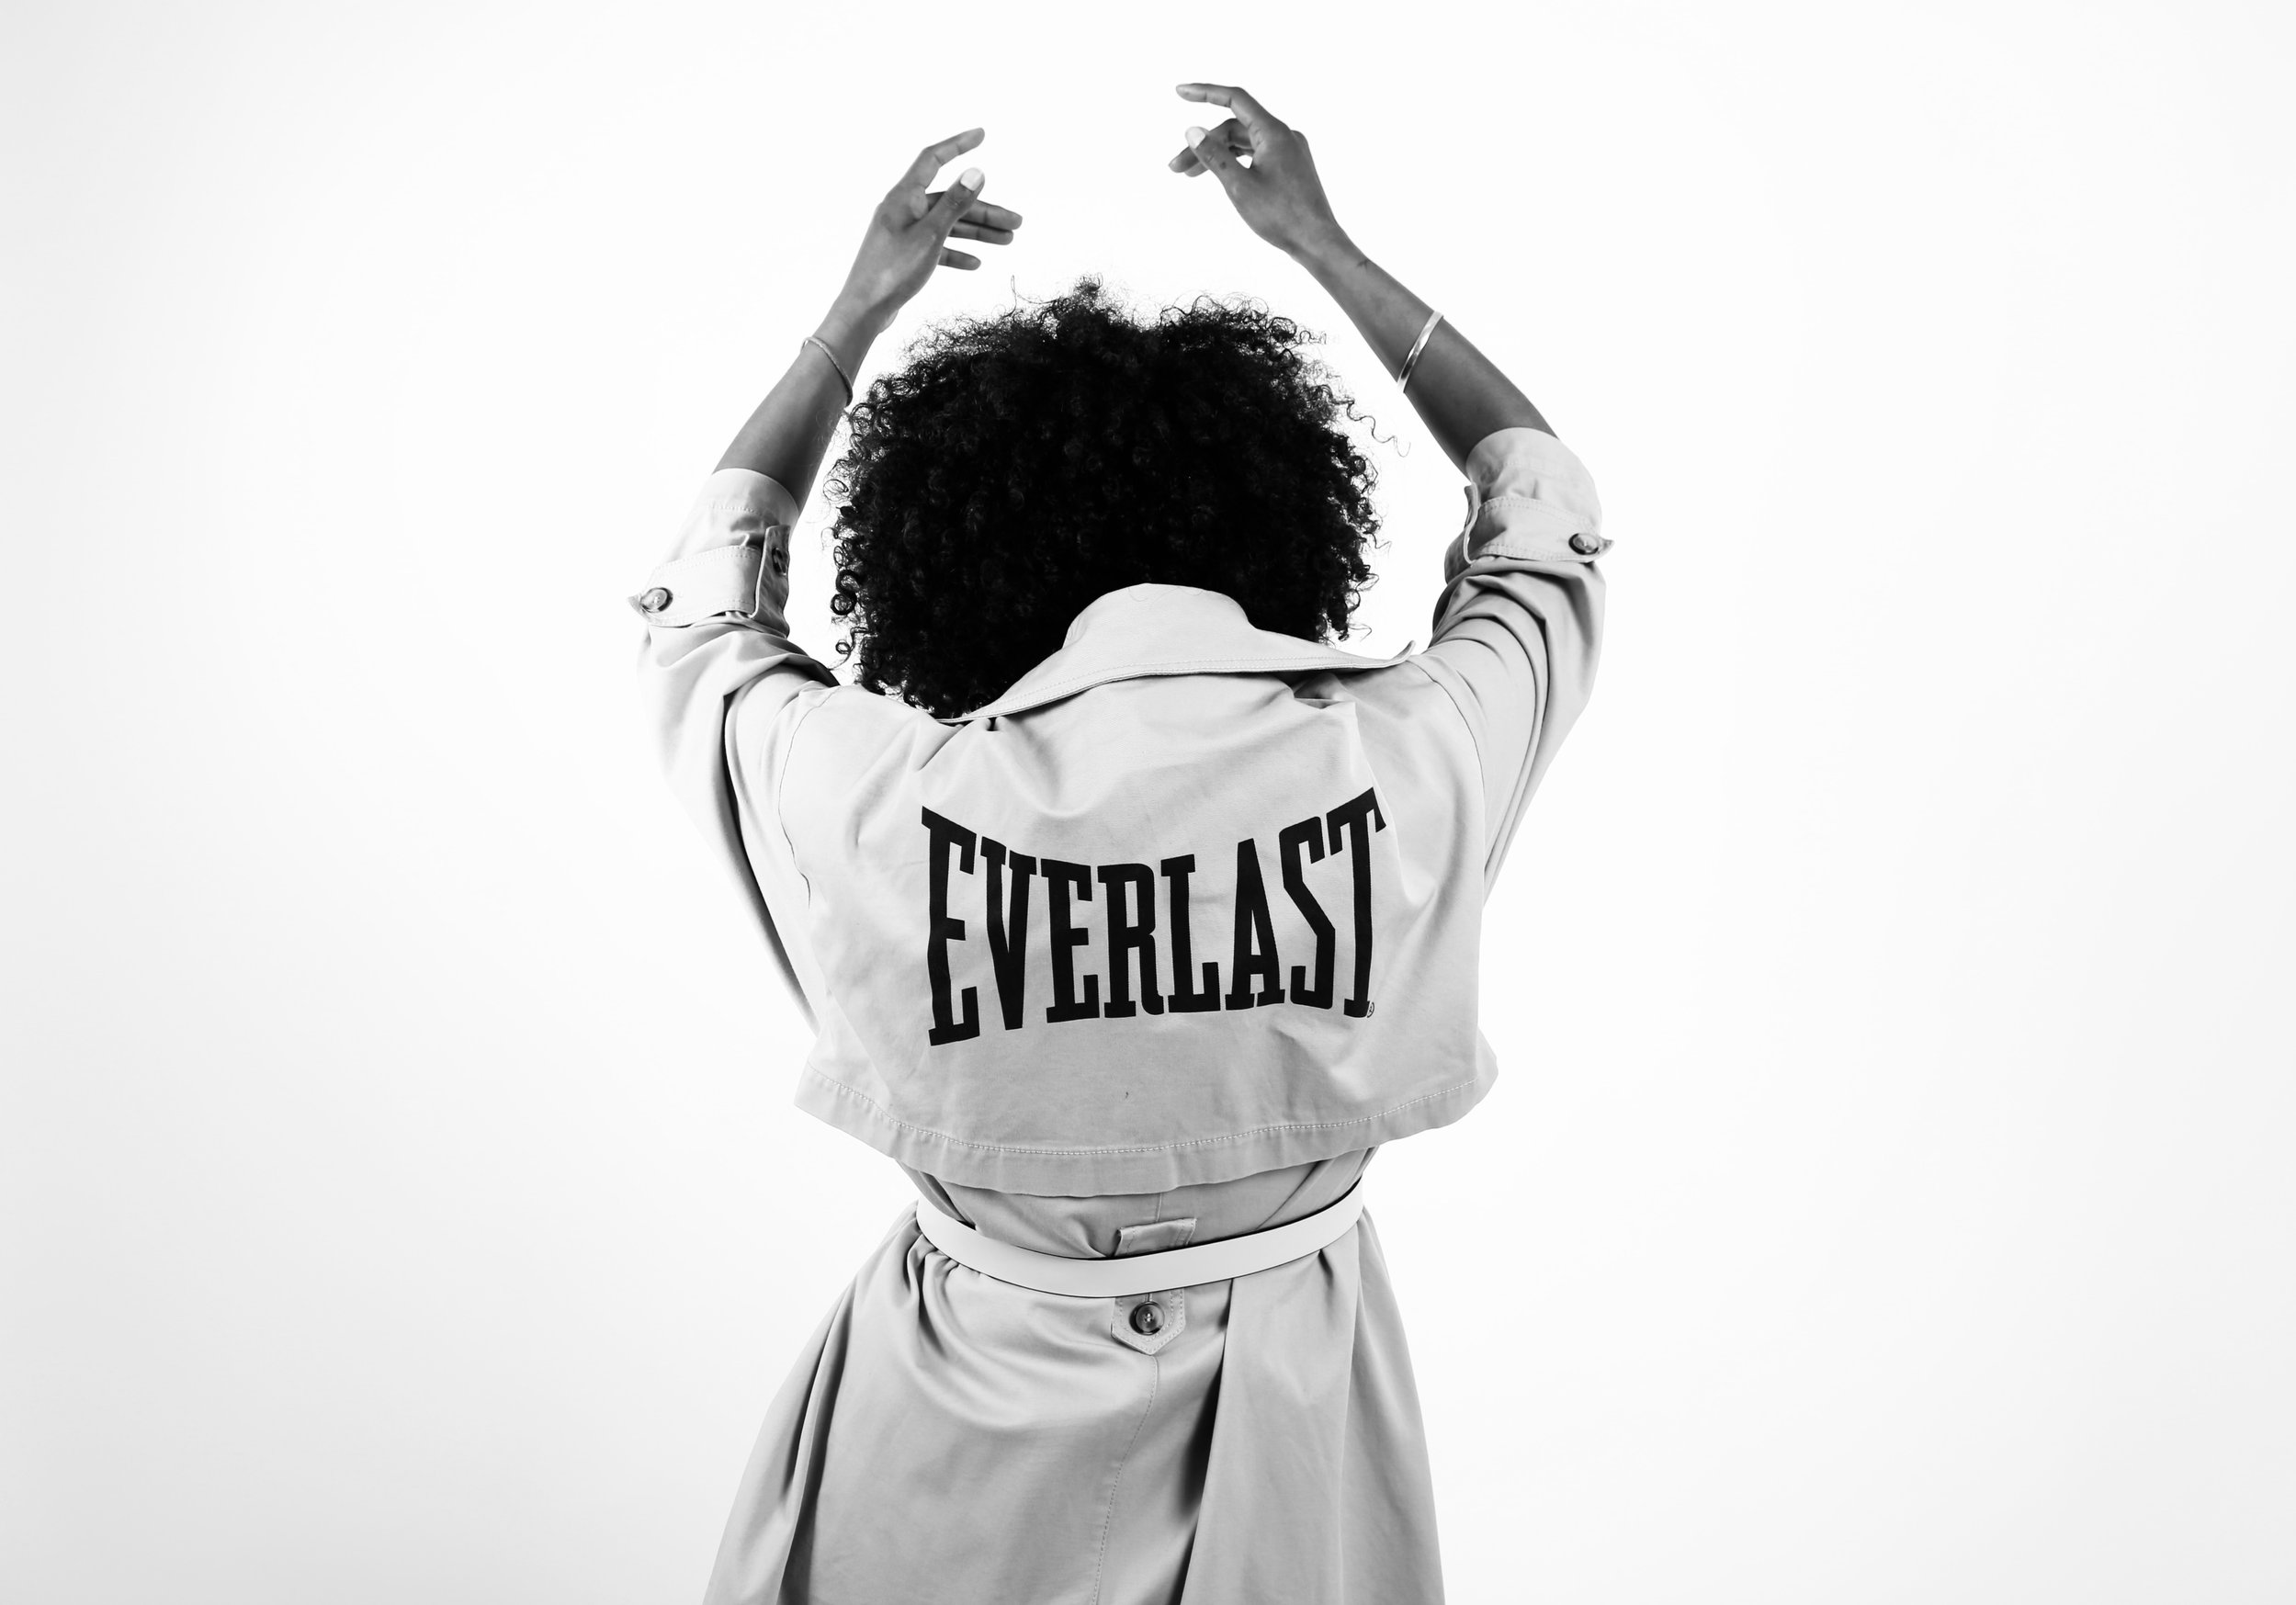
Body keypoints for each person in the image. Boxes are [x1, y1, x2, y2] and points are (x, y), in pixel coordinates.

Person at [633, 83, 1609, 1605]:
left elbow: (705, 609)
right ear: (1282, 524)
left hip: (939, 1447)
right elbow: (1546, 514)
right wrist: (1321, 245)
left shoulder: (880, 798)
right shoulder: (1416, 761)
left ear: (945, 553)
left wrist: (856, 313)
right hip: (1299, 1443)